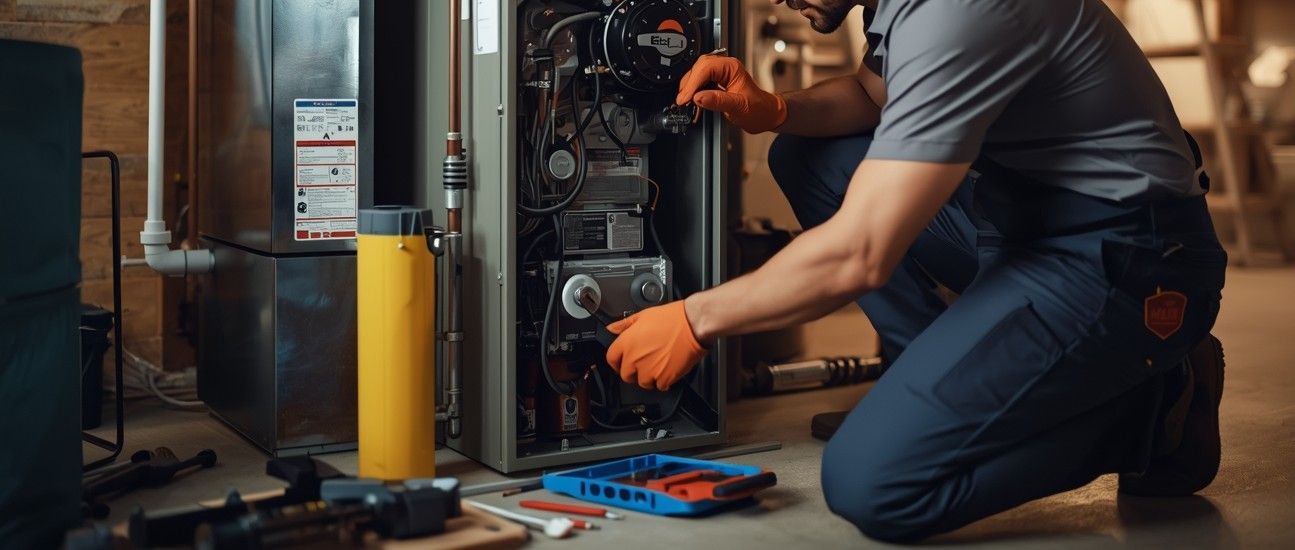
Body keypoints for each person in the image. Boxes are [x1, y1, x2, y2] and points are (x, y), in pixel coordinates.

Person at [604, 0, 1229, 542]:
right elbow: (870, 97)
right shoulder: (897, 11)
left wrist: (695, 318)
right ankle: (928, 373)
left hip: (1126, 257)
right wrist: (772, 108)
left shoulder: (959, 12)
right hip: (1019, 225)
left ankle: (1157, 404)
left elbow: (861, 250)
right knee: (806, 155)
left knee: (875, 483)